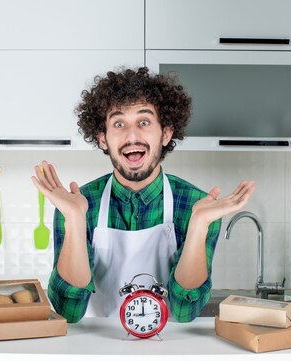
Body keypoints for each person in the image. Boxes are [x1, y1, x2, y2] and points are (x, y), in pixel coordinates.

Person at [31, 67, 255, 323]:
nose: (132, 135)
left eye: (144, 122)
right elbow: (68, 312)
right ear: (103, 139)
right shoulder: (79, 204)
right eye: (118, 123)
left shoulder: (198, 207)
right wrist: (74, 218)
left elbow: (184, 311)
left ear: (166, 133)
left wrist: (199, 226)